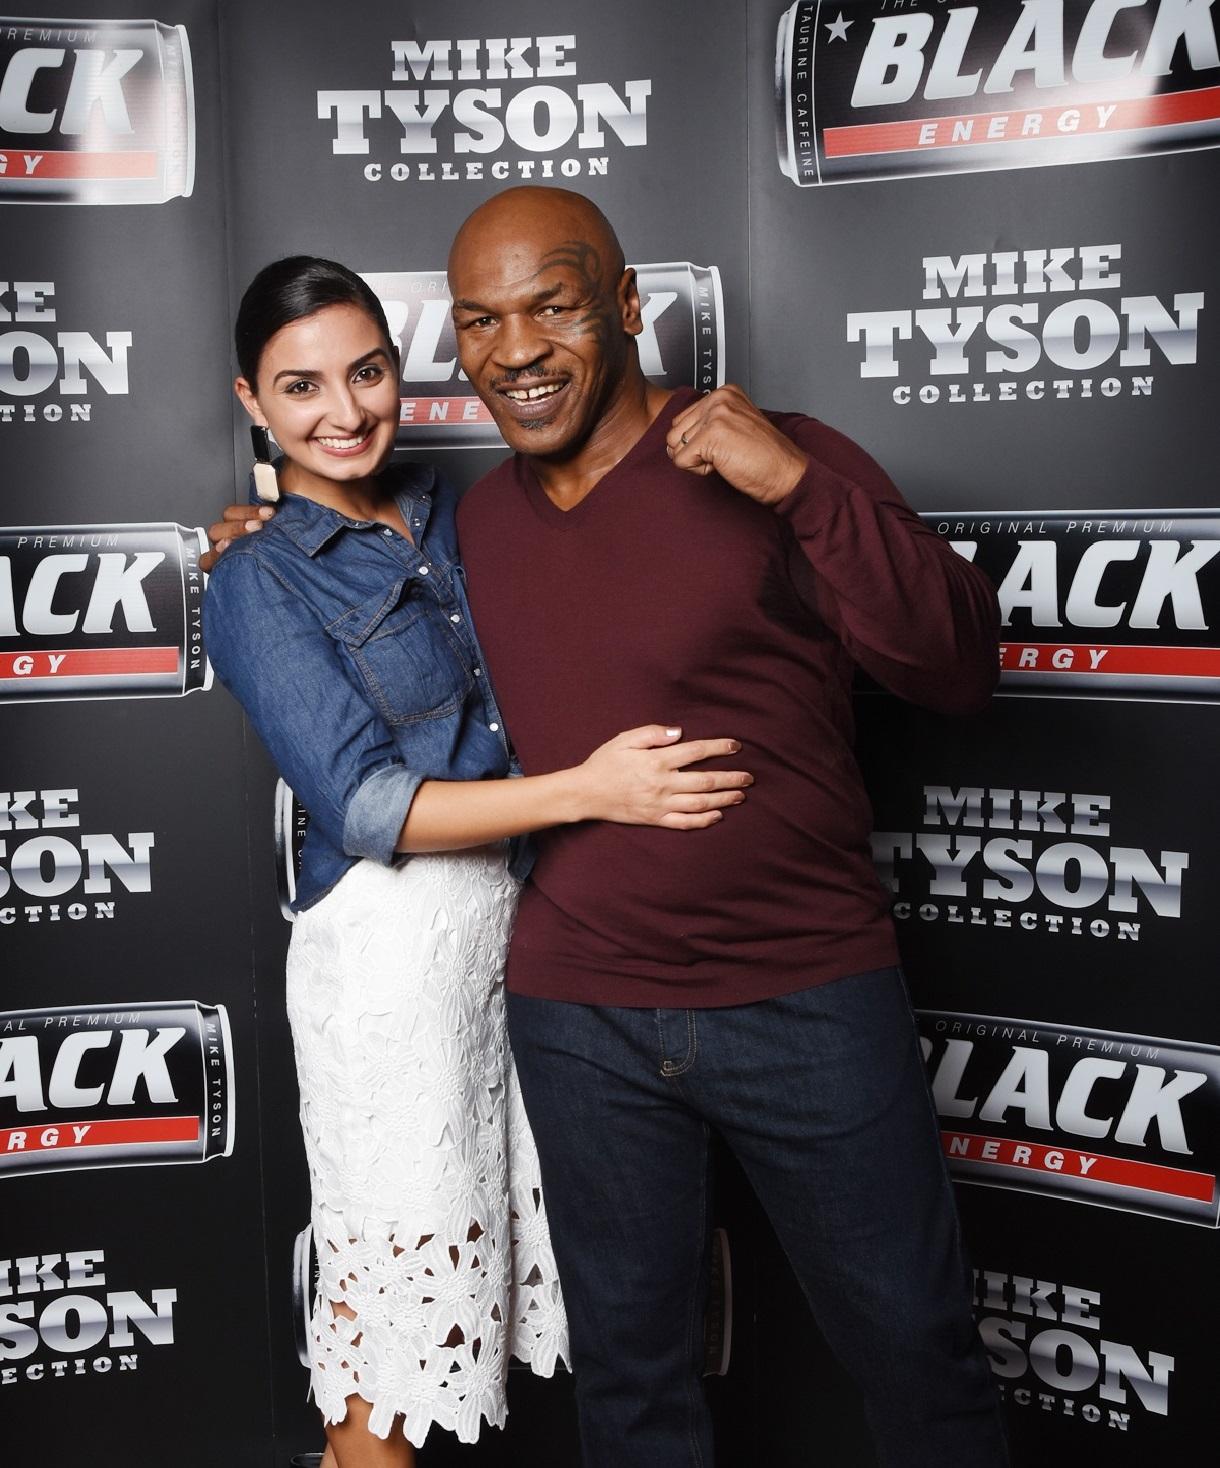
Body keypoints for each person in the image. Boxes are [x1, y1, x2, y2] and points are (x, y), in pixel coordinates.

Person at [207, 190, 1009, 1467]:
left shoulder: (765, 459)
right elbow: (343, 622)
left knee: (919, 1360)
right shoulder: (472, 523)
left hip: (803, 989)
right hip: (578, 1017)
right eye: (480, 320)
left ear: (628, 306)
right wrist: (265, 533)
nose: (515, 347)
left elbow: (958, 666)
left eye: (553, 305)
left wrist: (798, 486)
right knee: (628, 1389)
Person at [201, 255, 754, 1468]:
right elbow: (364, 802)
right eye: (300, 387)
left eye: (365, 372)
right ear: (251, 400)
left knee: (498, 1282)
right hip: (390, 961)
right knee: (392, 1310)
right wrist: (590, 791)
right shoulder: (254, 576)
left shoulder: (454, 512)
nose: (342, 412)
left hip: (513, 939)